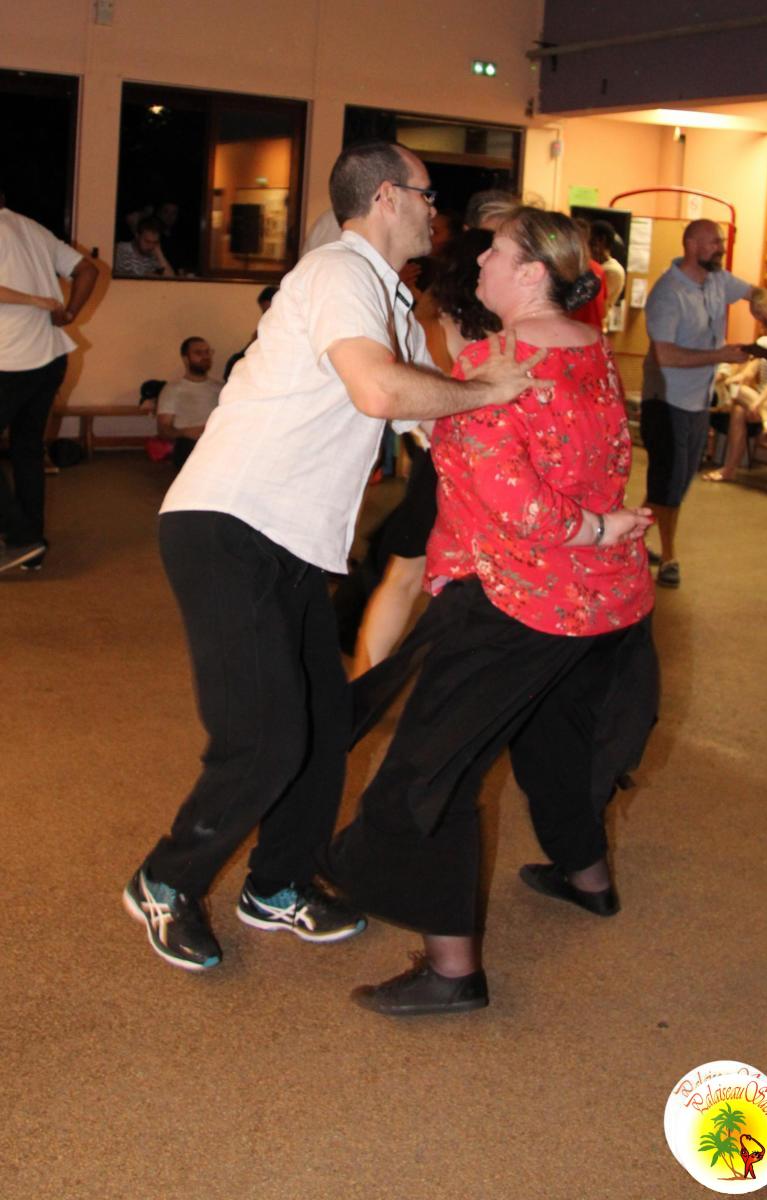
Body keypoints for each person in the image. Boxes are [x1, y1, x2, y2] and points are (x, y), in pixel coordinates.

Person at [122, 140, 537, 972]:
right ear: (385, 197)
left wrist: (537, 503)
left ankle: (277, 884)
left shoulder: (389, 300)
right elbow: (381, 391)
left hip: (294, 543)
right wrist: (487, 389)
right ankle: (165, 880)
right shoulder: (338, 273)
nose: (435, 212)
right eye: (426, 195)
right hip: (228, 523)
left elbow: (432, 424)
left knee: (321, 727)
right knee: (266, 739)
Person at [320, 207, 657, 1017]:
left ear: (533, 273)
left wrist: (593, 526)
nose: (479, 266)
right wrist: (601, 530)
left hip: (516, 598)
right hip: (598, 601)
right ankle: (587, 878)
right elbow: (607, 454)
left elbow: (519, 506)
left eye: (496, 255)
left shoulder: (492, 364)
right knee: (549, 739)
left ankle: (452, 971)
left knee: (428, 775)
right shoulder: (590, 348)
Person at [348, 227, 499, 675]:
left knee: (403, 578)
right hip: (486, 468)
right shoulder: (510, 329)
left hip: (442, 462)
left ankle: (364, 684)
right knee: (473, 582)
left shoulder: (433, 324)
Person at [640, 219, 767, 588]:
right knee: (669, 483)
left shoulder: (717, 280)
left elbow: (756, 292)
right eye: (714, 241)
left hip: (697, 401)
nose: (721, 247)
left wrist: (763, 306)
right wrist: (721, 355)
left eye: (720, 241)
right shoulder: (668, 293)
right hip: (666, 400)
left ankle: (628, 538)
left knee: (677, 480)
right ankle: (669, 557)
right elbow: (666, 355)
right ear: (691, 244)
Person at [0, 186, 98, 573]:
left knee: (25, 449)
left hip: (12, 360)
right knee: (26, 449)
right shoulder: (32, 228)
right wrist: (69, 312)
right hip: (50, 357)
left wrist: (36, 301)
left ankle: (21, 536)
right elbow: (88, 269)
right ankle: (32, 548)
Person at [704, 300, 767, 483]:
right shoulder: (764, 343)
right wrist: (735, 379)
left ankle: (728, 470)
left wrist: (757, 403)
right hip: (761, 396)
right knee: (738, 406)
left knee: (740, 409)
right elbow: (750, 371)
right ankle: (766, 417)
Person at [156, 337, 222, 470]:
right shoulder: (173, 389)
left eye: (207, 352)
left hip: (218, 439)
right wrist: (186, 432)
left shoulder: (221, 388)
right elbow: (163, 429)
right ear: (186, 359)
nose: (205, 356)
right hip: (189, 443)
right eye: (198, 353)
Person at [223, 286, 278, 381]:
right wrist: (252, 345)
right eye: (264, 313)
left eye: (271, 312)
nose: (267, 317)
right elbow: (231, 373)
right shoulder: (261, 334)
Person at [589, 220, 627, 324]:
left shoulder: (613, 270)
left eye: (590, 241)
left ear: (601, 240)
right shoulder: (596, 265)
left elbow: (592, 302)